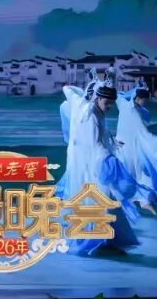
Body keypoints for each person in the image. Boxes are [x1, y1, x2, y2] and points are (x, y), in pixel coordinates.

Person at [56, 72, 139, 255]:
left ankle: (106, 237)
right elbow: (95, 144)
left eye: (111, 103)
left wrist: (112, 140)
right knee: (99, 199)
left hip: (88, 163)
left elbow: (99, 136)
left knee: (101, 199)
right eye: (107, 102)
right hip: (91, 164)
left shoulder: (91, 109)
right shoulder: (90, 114)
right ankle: (97, 239)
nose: (109, 106)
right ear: (98, 98)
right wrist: (109, 159)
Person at [115, 79, 157, 214]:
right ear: (138, 98)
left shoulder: (131, 107)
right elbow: (144, 134)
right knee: (134, 176)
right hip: (127, 149)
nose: (145, 102)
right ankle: (142, 203)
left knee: (134, 176)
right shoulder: (132, 110)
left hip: (127, 149)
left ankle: (143, 203)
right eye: (144, 100)